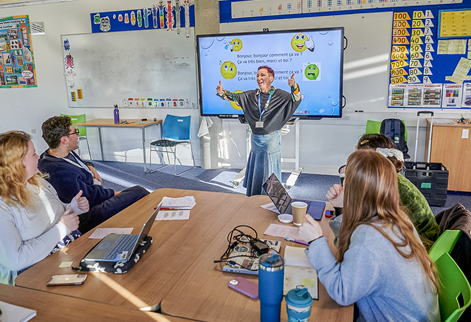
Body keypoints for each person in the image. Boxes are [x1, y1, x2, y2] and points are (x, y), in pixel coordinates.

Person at [299, 150, 439, 322]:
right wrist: (342, 209)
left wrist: (316, 241)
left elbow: (341, 292)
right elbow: (353, 250)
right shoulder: (397, 219)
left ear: (354, 190)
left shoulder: (370, 239)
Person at [0, 131, 88, 285]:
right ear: (18, 163)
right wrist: (62, 228)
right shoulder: (4, 206)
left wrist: (73, 208)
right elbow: (15, 260)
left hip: (68, 250)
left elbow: (56, 215)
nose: (39, 157)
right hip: (37, 271)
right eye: (33, 154)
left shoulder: (36, 182)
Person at [38, 116, 149, 233]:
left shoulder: (55, 154)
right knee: (138, 192)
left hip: (94, 196)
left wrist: (91, 167)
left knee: (133, 193)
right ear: (64, 140)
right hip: (86, 216)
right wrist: (116, 193)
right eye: (75, 132)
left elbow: (81, 163)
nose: (78, 135)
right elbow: (91, 197)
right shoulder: (58, 172)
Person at [330, 133, 440, 249]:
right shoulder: (386, 177)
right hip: (410, 240)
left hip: (420, 245)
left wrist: (340, 208)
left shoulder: (388, 186)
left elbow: (355, 238)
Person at [216, 66, 302, 196]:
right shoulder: (251, 95)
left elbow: (296, 98)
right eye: (257, 76)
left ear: (271, 78)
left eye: (262, 75)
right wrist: (222, 93)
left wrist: (293, 85)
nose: (259, 78)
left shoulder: (280, 95)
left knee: (270, 173)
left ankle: (272, 201)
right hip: (256, 141)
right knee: (257, 170)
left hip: (271, 140)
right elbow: (234, 97)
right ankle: (255, 198)